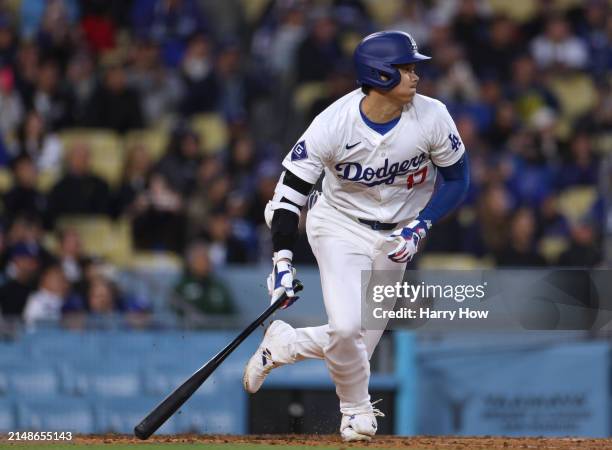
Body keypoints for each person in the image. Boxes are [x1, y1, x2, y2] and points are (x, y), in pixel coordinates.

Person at [242, 31, 469, 441]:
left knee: (359, 341)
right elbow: (286, 199)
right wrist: (281, 262)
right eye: (406, 67)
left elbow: (457, 180)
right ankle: (357, 412)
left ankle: (285, 345)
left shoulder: (433, 115)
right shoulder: (331, 125)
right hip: (339, 227)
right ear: (380, 75)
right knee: (347, 331)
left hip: (398, 237)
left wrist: (423, 224)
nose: (416, 74)